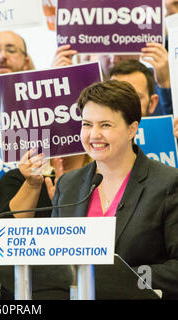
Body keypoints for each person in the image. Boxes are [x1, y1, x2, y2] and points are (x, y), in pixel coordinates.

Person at [51, 80, 178, 299]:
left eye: (105, 125)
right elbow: (53, 259)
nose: (93, 135)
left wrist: (122, 280)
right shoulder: (68, 184)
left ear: (132, 129)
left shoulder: (168, 183)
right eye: (87, 124)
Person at [53, 42, 173, 116]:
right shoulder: (78, 87)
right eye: (105, 52)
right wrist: (54, 87)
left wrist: (166, 85)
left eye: (121, 49)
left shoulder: (160, 82)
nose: (114, 59)